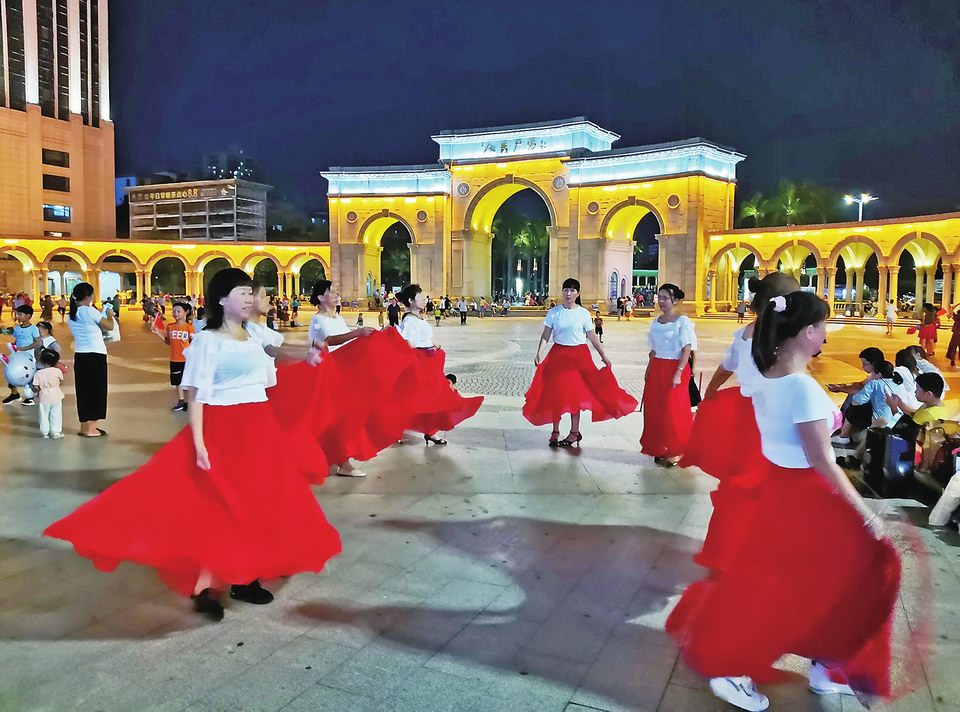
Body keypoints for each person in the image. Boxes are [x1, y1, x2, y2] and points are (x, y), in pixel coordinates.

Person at [45, 268, 342, 621]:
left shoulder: (253, 334)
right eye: (241, 292)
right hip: (223, 428)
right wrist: (199, 443)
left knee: (259, 499)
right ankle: (205, 584)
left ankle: (245, 575)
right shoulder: (207, 340)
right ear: (220, 299)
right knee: (220, 505)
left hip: (260, 426)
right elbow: (196, 395)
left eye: (251, 292)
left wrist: (306, 355)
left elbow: (276, 351)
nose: (249, 298)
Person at [667, 291, 901, 711]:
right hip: (805, 496)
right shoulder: (802, 389)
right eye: (823, 326)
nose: (826, 335)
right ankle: (741, 667)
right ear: (808, 331)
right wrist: (867, 515)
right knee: (858, 571)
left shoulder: (767, 374)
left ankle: (824, 662)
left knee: (806, 584)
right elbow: (823, 462)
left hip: (777, 489)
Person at [680, 273, 800, 573]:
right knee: (770, 483)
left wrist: (709, 393)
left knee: (739, 482)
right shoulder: (786, 339)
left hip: (745, 415)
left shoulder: (746, 333)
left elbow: (726, 366)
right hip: (771, 416)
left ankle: (728, 546)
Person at [523, 278, 636, 447]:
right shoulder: (554, 313)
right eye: (566, 290)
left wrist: (603, 356)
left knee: (573, 396)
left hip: (579, 357)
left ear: (578, 294)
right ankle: (555, 431)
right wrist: (539, 352)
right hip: (558, 355)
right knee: (556, 394)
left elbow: (592, 337)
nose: (568, 294)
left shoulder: (583, 313)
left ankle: (574, 432)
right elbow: (546, 335)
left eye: (572, 290)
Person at [397, 284, 483, 445]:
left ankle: (431, 431)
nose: (423, 299)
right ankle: (400, 427)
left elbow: (423, 337)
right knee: (420, 398)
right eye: (419, 297)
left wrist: (433, 345)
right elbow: (408, 345)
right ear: (410, 300)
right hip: (421, 364)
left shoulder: (418, 317)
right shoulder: (409, 320)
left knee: (433, 397)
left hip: (429, 362)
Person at [640, 284, 697, 466]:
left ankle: (677, 449)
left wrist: (679, 372)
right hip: (658, 367)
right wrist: (649, 369)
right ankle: (661, 446)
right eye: (659, 297)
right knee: (656, 408)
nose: (661, 301)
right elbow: (653, 349)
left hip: (676, 368)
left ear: (675, 300)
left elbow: (687, 348)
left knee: (674, 409)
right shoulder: (656, 322)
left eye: (665, 297)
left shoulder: (683, 321)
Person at [66, 282, 115, 437]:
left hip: (81, 355)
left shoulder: (72, 314)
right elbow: (109, 326)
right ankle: (91, 429)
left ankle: (83, 426)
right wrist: (109, 314)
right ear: (88, 296)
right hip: (96, 355)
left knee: (83, 391)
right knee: (97, 391)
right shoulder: (89, 311)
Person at [152, 301, 196, 412]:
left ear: (185, 313)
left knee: (189, 381)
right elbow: (168, 342)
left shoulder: (189, 328)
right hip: (175, 359)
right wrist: (157, 333)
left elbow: (194, 344)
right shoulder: (170, 327)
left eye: (178, 311)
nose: (175, 314)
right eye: (174, 311)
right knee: (178, 382)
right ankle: (182, 401)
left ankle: (193, 402)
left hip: (187, 359)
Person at [3, 305, 42, 406]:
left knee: (27, 376)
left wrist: (24, 349)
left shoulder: (33, 328)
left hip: (28, 356)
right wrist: (15, 349)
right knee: (11, 373)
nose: (18, 316)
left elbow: (37, 342)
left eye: (20, 314)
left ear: (28, 316)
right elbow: (17, 339)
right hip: (18, 355)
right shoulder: (17, 328)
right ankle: (14, 393)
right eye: (17, 314)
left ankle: (30, 397)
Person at [33, 347, 65, 439]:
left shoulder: (38, 373)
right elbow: (61, 382)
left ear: (42, 361)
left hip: (44, 396)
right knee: (56, 414)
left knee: (43, 414)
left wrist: (37, 393)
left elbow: (36, 387)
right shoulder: (58, 371)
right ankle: (56, 432)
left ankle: (45, 432)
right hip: (56, 395)